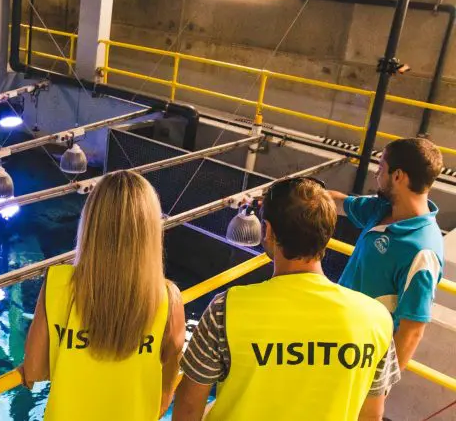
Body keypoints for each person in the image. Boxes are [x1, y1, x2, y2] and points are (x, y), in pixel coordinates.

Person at [173, 177, 400, 421]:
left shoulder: (227, 309)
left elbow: (188, 406)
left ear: (268, 231)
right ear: (327, 233)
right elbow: (371, 415)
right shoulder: (377, 319)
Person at [21, 170, 185, 420]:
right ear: (150, 231)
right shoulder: (167, 298)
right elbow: (166, 391)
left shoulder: (57, 282)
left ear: (90, 224)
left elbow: (34, 371)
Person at [329, 138, 444, 370]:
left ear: (398, 176)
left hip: (357, 359)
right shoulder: (382, 208)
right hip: (335, 336)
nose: (376, 175)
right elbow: (338, 202)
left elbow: (412, 331)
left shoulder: (422, 250)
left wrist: (378, 388)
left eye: (380, 168)